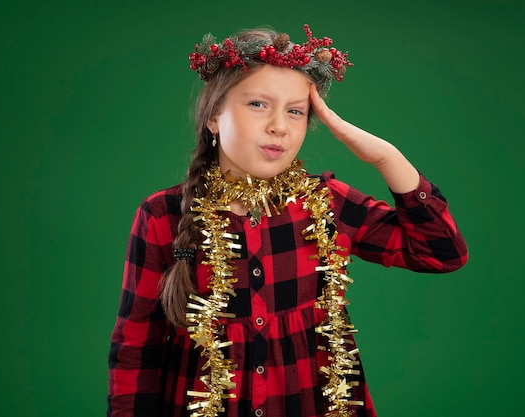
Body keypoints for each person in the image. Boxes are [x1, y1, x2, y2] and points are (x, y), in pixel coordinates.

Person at [107, 24, 468, 417]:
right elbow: (136, 349)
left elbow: (441, 252)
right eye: (258, 104)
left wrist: (386, 158)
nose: (279, 125)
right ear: (214, 117)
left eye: (295, 111)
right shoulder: (162, 215)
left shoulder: (325, 203)